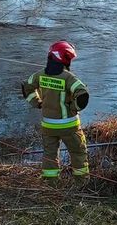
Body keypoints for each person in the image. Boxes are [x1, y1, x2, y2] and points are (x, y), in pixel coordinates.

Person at [21, 40, 90, 180]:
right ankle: (81, 183)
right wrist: (73, 107)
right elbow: (83, 95)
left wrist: (37, 103)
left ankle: (51, 184)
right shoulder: (68, 77)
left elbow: (26, 87)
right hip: (69, 125)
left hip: (48, 126)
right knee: (78, 153)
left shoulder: (39, 75)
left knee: (49, 156)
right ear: (65, 58)